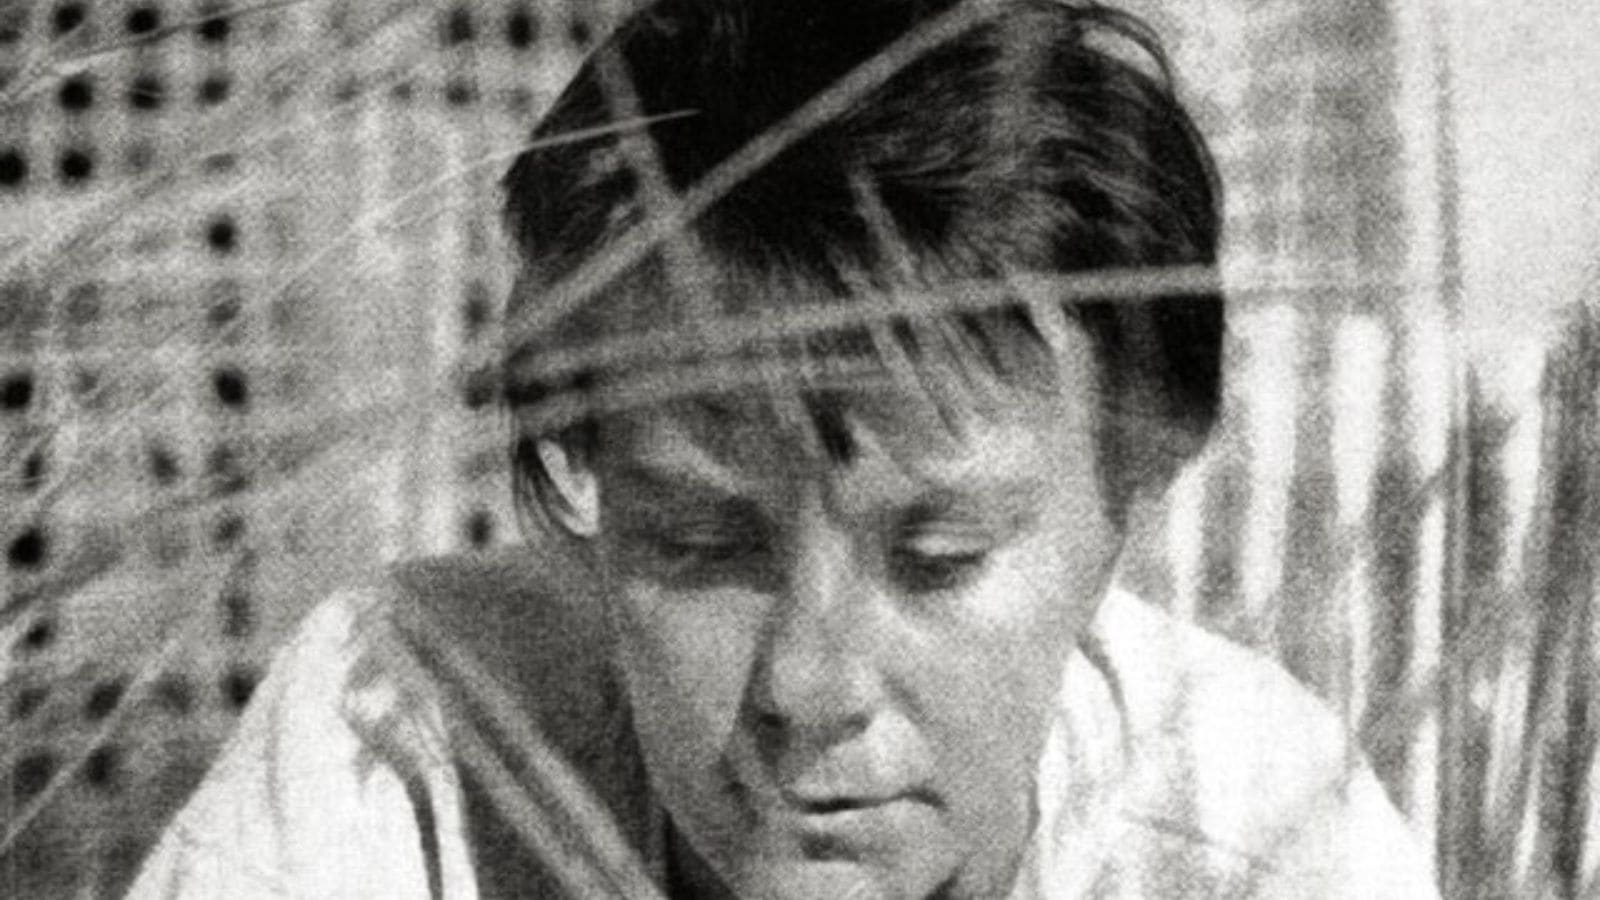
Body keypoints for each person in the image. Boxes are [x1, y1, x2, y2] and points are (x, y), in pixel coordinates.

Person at [127, 0, 1440, 897]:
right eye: (701, 541)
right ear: (589, 473)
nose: (808, 684)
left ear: (1133, 488)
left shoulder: (1259, 836)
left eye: (938, 558)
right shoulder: (402, 738)